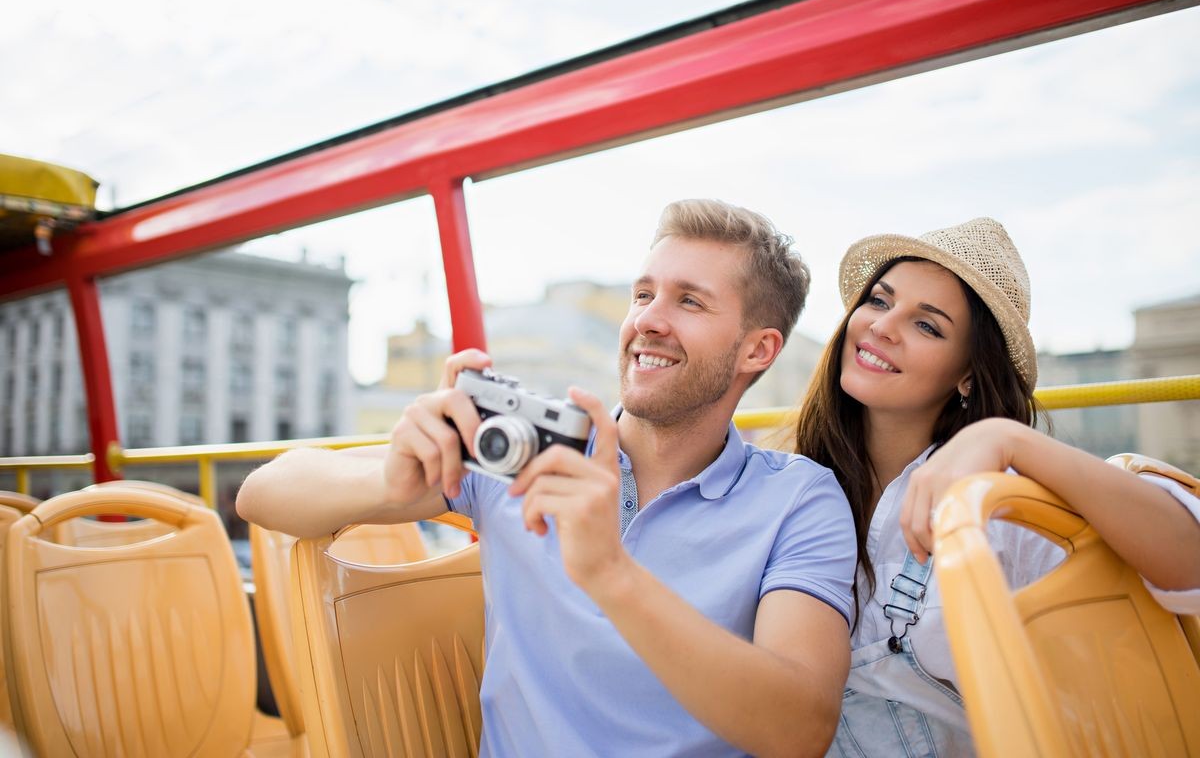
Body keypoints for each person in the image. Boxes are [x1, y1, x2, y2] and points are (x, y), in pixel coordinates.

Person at [238, 199, 858, 757]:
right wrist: (391, 483)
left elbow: (799, 731)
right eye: (643, 295)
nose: (649, 320)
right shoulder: (528, 448)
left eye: (689, 301)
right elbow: (263, 493)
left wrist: (610, 574)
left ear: (758, 350)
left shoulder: (797, 498)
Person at [789, 217, 1200, 756]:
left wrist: (1009, 439)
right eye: (881, 301)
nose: (883, 328)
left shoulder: (1000, 504)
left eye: (928, 326)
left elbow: (1189, 561)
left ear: (967, 375)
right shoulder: (790, 483)